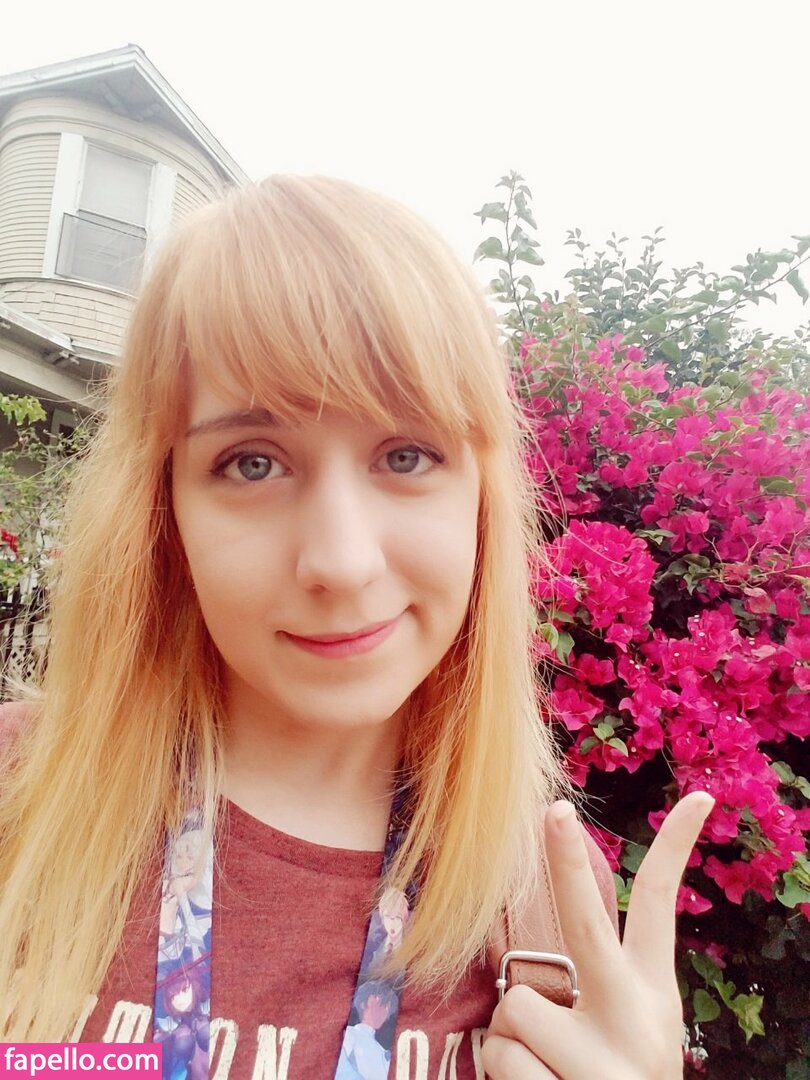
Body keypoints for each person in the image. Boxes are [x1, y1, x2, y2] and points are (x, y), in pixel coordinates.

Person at [0, 175, 712, 1078]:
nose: (340, 561)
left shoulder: (542, 913)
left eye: (406, 454)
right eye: (252, 463)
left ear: (481, 501)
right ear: (163, 507)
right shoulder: (20, 798)